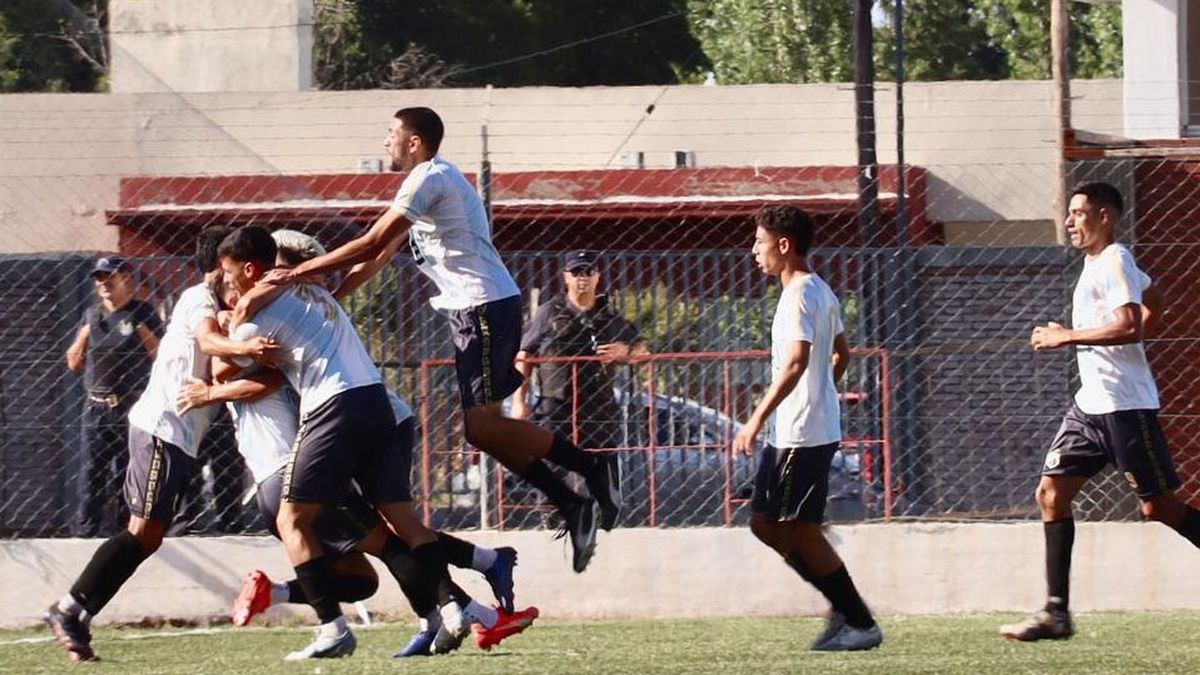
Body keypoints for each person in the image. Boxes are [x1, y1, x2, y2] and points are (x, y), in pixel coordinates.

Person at [251, 107, 618, 573]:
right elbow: (382, 254)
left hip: (483, 307)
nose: (386, 142)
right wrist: (338, 293)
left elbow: (369, 241)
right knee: (480, 430)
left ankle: (589, 472)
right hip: (474, 312)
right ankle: (572, 499)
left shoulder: (429, 178)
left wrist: (296, 273)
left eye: (392, 134)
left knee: (483, 427)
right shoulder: (427, 183)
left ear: (415, 142)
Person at [180, 231, 534, 656]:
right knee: (391, 536)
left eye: (230, 275)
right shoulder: (312, 293)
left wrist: (228, 328)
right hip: (376, 406)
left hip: (334, 414)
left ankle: (357, 625)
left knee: (311, 526)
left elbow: (223, 366)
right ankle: (466, 596)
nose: (228, 285)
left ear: (259, 270)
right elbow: (372, 259)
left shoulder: (259, 318)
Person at [42, 227, 281, 663]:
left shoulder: (219, 303)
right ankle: (69, 609)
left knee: (146, 535)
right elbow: (209, 340)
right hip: (161, 429)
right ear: (219, 266)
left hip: (178, 437)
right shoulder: (196, 299)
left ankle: (72, 609)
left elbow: (217, 353)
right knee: (142, 532)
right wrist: (250, 347)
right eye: (232, 267)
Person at [1000, 182, 1200, 641]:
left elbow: (1131, 325)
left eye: (1078, 213)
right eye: (1069, 214)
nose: (1070, 222)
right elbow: (1154, 300)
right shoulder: (1099, 265)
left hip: (1125, 408)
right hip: (1091, 406)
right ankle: (1056, 613)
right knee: (1050, 494)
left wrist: (1065, 336)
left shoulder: (1115, 260)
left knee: (1158, 508)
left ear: (1104, 215)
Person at [732, 205, 882, 652]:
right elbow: (842, 355)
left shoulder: (800, 294)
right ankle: (840, 602)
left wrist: (757, 417)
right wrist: (821, 395)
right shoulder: (819, 290)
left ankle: (858, 620)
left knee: (797, 529)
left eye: (759, 242)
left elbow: (798, 361)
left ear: (783, 245)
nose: (754, 251)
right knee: (764, 524)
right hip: (798, 429)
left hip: (801, 432)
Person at [512, 250, 647, 528]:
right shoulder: (550, 312)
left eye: (588, 272)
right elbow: (525, 354)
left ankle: (607, 519)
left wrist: (626, 351)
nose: (582, 279)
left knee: (604, 463)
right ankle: (553, 520)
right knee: (551, 462)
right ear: (565, 277)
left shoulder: (608, 316)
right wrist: (519, 401)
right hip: (557, 401)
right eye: (576, 272)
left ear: (598, 277)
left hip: (599, 402)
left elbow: (643, 351)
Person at [65, 256, 162, 537]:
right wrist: (86, 332)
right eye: (99, 278)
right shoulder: (91, 315)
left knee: (127, 470)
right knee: (91, 471)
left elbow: (159, 355)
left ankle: (124, 531)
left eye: (109, 276)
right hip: (96, 405)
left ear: (125, 279)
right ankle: (86, 530)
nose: (103, 283)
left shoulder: (142, 312)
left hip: (131, 405)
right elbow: (73, 362)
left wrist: (137, 326)